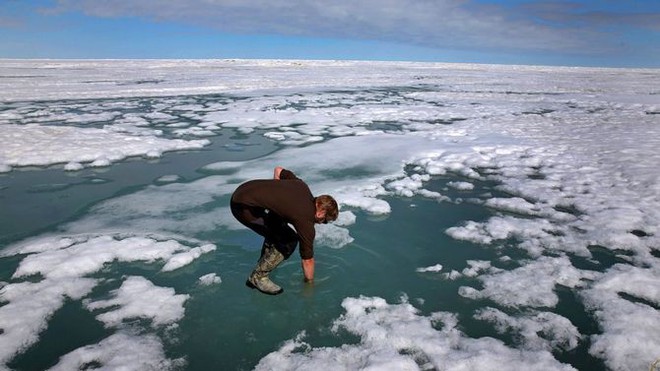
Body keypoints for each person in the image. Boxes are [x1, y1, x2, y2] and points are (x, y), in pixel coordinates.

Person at [230, 166, 339, 295]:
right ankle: (258, 277)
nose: (322, 223)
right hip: (243, 208)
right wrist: (309, 284)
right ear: (321, 213)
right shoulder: (306, 221)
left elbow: (278, 170)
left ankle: (265, 260)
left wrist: (277, 203)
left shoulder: (302, 186)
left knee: (278, 224)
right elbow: (307, 260)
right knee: (290, 241)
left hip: (241, 191)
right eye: (325, 221)